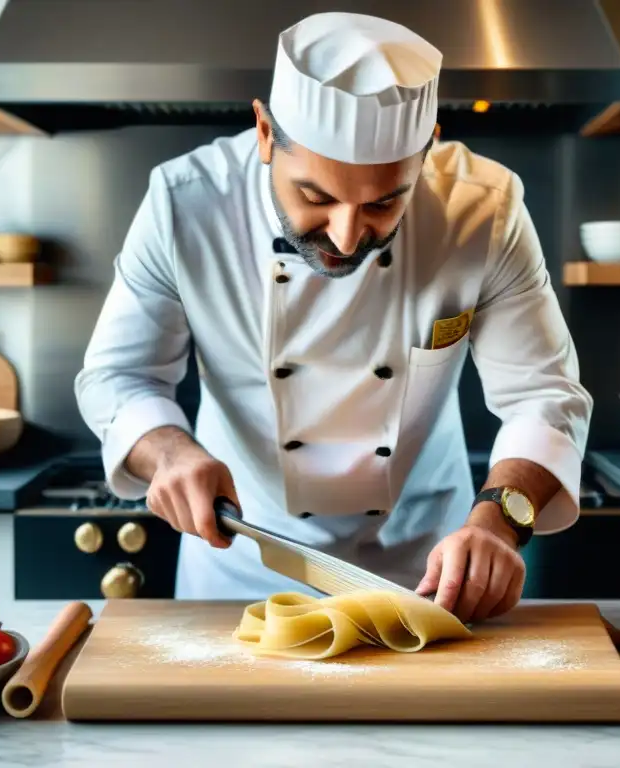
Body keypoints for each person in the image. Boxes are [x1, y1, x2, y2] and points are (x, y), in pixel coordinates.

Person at [75, 11, 593, 624]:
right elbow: (117, 376)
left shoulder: (484, 211)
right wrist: (169, 453)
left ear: (426, 150)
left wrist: (497, 523)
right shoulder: (185, 204)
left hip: (430, 573)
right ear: (265, 133)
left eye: (382, 201)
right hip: (241, 566)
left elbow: (542, 393)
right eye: (316, 197)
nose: (347, 238)